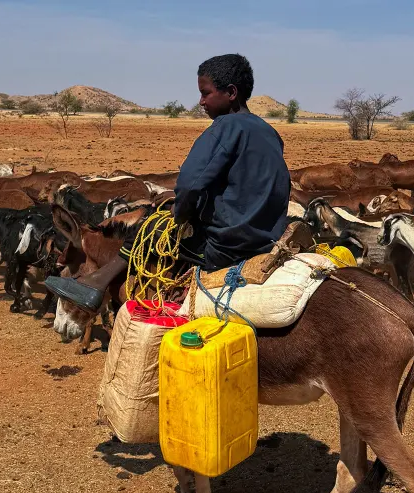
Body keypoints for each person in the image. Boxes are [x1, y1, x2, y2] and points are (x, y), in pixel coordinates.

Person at [44, 53, 291, 312]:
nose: (201, 101)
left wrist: (181, 214)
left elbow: (190, 184)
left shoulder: (225, 127)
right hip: (266, 240)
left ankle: (97, 283)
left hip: (226, 246)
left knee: (149, 228)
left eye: (206, 93)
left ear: (231, 92)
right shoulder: (269, 132)